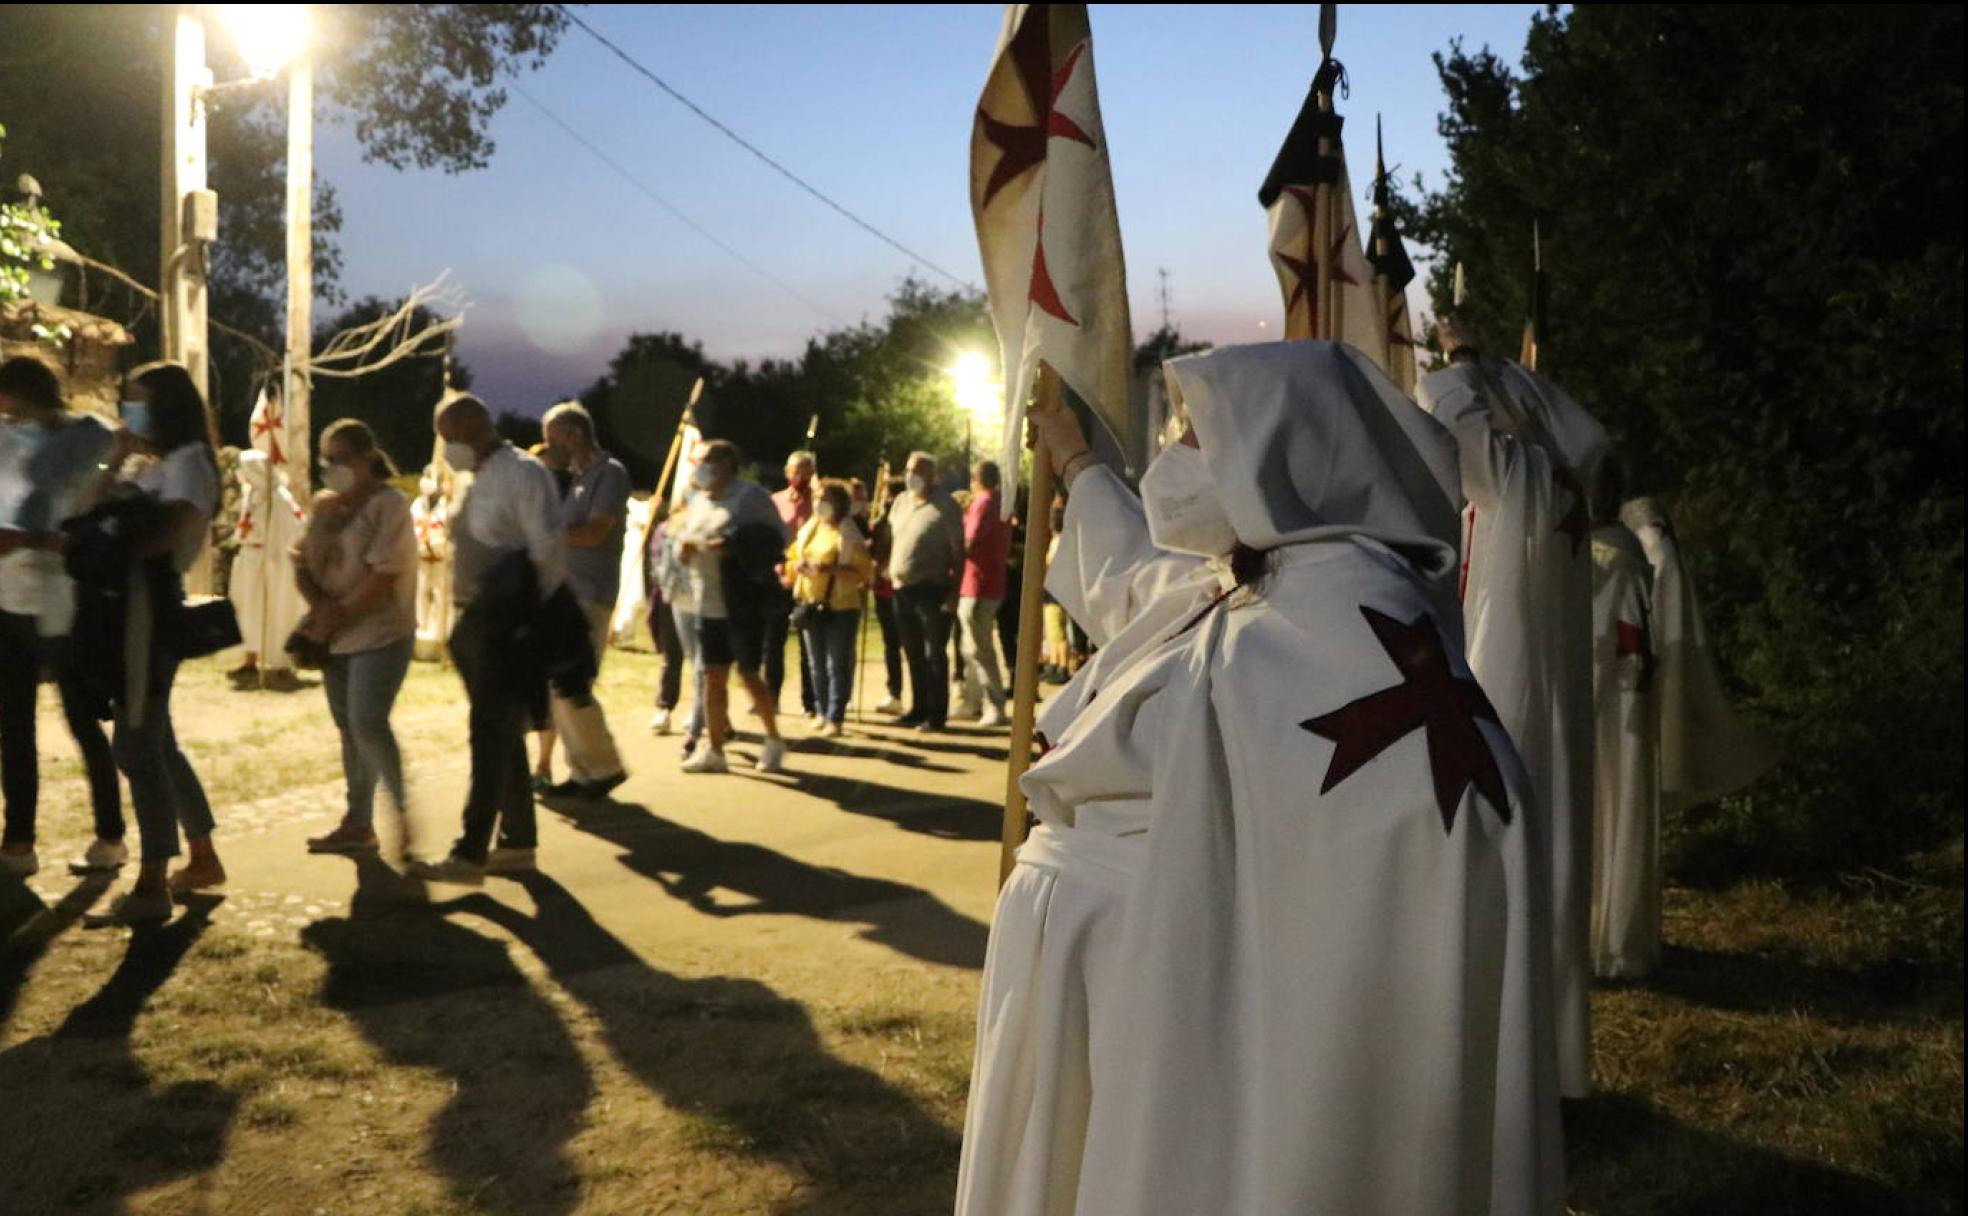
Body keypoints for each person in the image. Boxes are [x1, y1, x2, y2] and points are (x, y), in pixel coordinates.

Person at [957, 341, 1561, 1216]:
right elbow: (1134, 579)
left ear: (1280, 452)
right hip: (1093, 972)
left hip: (1160, 984)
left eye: (1194, 438)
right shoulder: (1257, 578)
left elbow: (1410, 841)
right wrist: (1074, 455)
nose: (1172, 462)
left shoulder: (1351, 618)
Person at [1418, 317, 1610, 1101]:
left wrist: (1463, 361)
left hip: (1515, 678)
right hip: (1546, 685)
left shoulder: (1524, 475)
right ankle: (1548, 1062)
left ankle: (1517, 1069)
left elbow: (1456, 419)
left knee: (1513, 870)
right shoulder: (1558, 478)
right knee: (1548, 867)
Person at [410, 395, 568, 885]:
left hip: (506, 619)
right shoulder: (475, 477)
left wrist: (530, 617)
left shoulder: (521, 474)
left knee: (488, 734)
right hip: (476, 619)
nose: (446, 446)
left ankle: (470, 853)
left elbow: (547, 549)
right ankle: (517, 841)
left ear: (475, 427)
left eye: (449, 435)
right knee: (503, 734)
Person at [102, 363, 228, 922]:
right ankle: (202, 857)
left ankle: (153, 884)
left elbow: (161, 538)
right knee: (157, 742)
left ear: (168, 408)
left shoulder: (190, 466)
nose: (129, 409)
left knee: (134, 747)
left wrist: (89, 542)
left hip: (147, 606)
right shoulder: (162, 463)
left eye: (138, 400)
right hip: (128, 604)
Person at [0, 356, 123, 878]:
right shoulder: (4, 440)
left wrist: (27, 537)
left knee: (82, 720)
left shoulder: (89, 439)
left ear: (26, 395)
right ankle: (19, 840)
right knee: (12, 725)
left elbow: (88, 520)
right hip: (8, 599)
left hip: (65, 600)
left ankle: (110, 834)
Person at [290, 419, 420, 856]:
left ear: (366, 459)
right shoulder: (325, 506)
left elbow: (385, 574)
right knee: (349, 729)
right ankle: (358, 822)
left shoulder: (390, 506)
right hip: (334, 635)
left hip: (381, 631)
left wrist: (337, 614)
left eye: (341, 459)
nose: (332, 468)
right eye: (326, 460)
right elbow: (302, 562)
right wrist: (321, 609)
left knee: (368, 721)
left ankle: (402, 815)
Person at [671, 439, 790, 774]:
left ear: (727, 463)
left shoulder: (750, 496)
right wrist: (685, 551)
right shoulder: (699, 501)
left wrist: (734, 544)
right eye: (699, 461)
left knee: (749, 673)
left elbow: (777, 538)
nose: (701, 467)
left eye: (708, 460)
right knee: (712, 676)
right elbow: (687, 537)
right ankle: (716, 749)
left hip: (741, 600)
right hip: (706, 600)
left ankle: (773, 739)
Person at [1588, 470, 1661, 980]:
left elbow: (1628, 637)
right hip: (1612, 702)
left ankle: (1609, 941)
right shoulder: (1615, 551)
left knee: (1609, 808)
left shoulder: (1609, 555)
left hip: (1612, 706)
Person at [538, 402, 629, 800]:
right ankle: (583, 772)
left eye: (551, 437)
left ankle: (604, 768)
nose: (547, 446)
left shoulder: (609, 475)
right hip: (564, 595)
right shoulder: (574, 479)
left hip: (590, 594)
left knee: (572, 686)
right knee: (558, 686)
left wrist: (544, 532)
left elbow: (594, 533)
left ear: (574, 433)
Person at [786, 479, 874, 737]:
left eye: (825, 499)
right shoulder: (809, 529)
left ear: (839, 504)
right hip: (810, 603)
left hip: (841, 605)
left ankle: (836, 716)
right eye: (816, 498)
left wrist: (829, 569)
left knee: (837, 663)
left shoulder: (848, 534)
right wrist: (797, 567)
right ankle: (822, 710)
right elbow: (792, 557)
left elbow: (863, 572)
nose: (819, 503)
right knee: (816, 663)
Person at [885, 452, 964, 732]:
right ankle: (917, 708)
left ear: (932, 475)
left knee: (934, 654)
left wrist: (955, 593)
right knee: (913, 652)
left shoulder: (947, 505)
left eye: (918, 471)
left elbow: (959, 554)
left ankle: (936, 714)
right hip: (901, 589)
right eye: (908, 470)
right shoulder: (901, 502)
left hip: (932, 589)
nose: (911, 476)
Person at [225, 448, 307, 690]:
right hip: (250, 562)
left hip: (269, 563)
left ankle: (280, 660)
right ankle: (250, 657)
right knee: (246, 609)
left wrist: (271, 558)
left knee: (272, 609)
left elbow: (290, 533)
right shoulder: (253, 495)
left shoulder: (279, 499)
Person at [953, 460, 1013, 726]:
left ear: (976, 478)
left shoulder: (984, 502)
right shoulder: (1000, 501)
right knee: (972, 648)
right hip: (989, 582)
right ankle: (973, 701)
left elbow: (969, 540)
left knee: (979, 649)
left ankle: (994, 704)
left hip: (977, 584)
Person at [769, 449, 818, 721]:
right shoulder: (775, 501)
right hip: (781, 578)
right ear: (787, 472)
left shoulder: (820, 503)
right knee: (773, 641)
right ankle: (771, 697)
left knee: (806, 642)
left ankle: (810, 701)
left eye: (806, 470)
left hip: (809, 580)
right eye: (795, 470)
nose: (800, 476)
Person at [643, 502, 688, 735]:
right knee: (671, 657)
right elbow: (655, 564)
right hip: (669, 599)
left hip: (698, 601)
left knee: (703, 662)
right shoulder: (663, 530)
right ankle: (664, 707)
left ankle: (705, 713)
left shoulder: (700, 529)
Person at [869, 475, 908, 715]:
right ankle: (894, 692)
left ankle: (903, 692)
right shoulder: (880, 521)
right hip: (882, 589)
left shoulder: (902, 518)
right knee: (891, 644)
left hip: (900, 587)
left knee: (905, 643)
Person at [410, 465, 453, 660]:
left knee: (441, 598)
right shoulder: (418, 505)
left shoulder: (448, 506)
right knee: (420, 596)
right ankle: (421, 636)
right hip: (421, 557)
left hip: (442, 559)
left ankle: (440, 637)